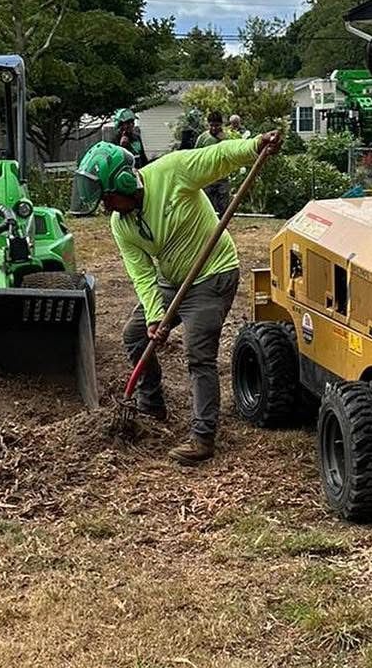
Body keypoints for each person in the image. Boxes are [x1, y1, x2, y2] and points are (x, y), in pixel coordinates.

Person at [75, 129, 283, 464]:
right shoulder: (121, 223)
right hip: (173, 280)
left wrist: (255, 146)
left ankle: (203, 437)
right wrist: (156, 316)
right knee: (135, 335)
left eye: (107, 197)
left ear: (126, 183)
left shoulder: (172, 172)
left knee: (197, 354)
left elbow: (219, 157)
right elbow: (141, 273)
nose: (106, 206)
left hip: (212, 273)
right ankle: (151, 405)